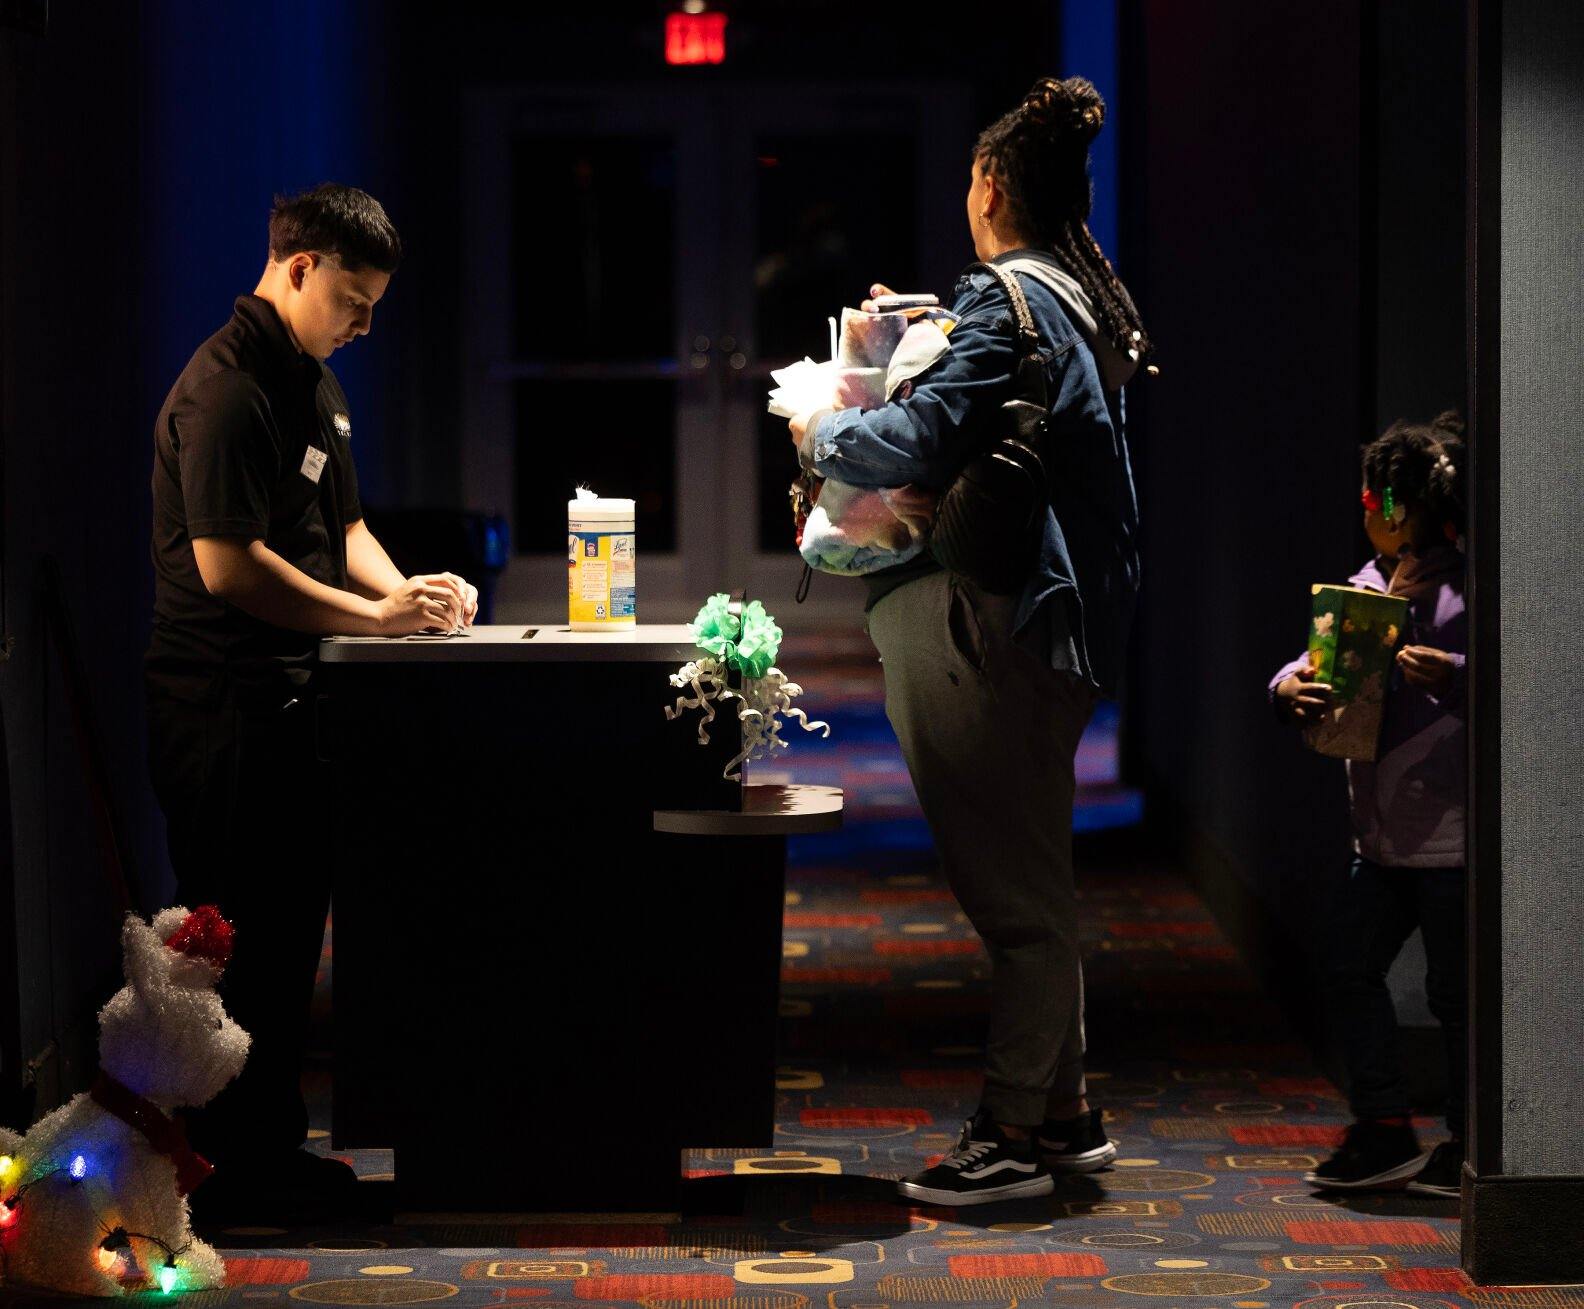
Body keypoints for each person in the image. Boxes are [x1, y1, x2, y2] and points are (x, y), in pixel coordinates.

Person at [788, 77, 1147, 1206]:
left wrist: (819, 424)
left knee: (1016, 902)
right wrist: (933, 328)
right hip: (1055, 625)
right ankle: (1065, 1113)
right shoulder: (1069, 295)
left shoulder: (1007, 300)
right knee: (1036, 873)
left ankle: (1005, 1130)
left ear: (990, 185)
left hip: (990, 626)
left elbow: (916, 433)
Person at [145, 183, 478, 1222]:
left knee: (288, 942)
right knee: (240, 947)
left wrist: (409, 594)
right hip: (224, 711)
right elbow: (230, 568)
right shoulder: (228, 390)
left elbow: (347, 527)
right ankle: (231, 1174)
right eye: (354, 298)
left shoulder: (313, 386)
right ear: (296, 267)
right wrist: (374, 621)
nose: (366, 323)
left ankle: (269, 1153)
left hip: (293, 705)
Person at [1270, 412, 1467, 1198]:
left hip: (1453, 840)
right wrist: (1287, 685)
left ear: (1413, 509)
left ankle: (1470, 1141)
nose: (1370, 511)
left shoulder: (1467, 591)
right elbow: (1314, 656)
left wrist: (1451, 672)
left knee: (1458, 997)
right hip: (1379, 841)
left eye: (1383, 500)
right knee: (1347, 966)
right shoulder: (1364, 585)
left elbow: (1517, 682)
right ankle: (1384, 1124)